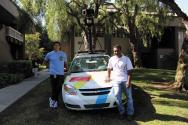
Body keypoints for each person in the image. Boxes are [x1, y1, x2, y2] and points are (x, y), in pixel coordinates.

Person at [106, 45, 134, 120]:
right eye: (114, 51)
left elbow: (130, 71)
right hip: (116, 81)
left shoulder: (126, 59)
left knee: (129, 98)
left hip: (125, 81)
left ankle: (130, 114)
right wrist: (108, 76)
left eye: (117, 51)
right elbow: (109, 68)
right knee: (117, 98)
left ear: (120, 50)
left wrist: (128, 81)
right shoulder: (111, 59)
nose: (116, 52)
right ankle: (122, 112)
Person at [44, 41, 68, 109]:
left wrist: (67, 69)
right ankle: (55, 102)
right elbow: (45, 61)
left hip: (61, 74)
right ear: (53, 46)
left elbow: (65, 63)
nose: (56, 46)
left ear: (60, 46)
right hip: (53, 74)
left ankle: (52, 98)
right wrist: (48, 67)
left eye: (57, 45)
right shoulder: (49, 54)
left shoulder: (63, 54)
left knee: (59, 87)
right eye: (55, 45)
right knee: (54, 88)